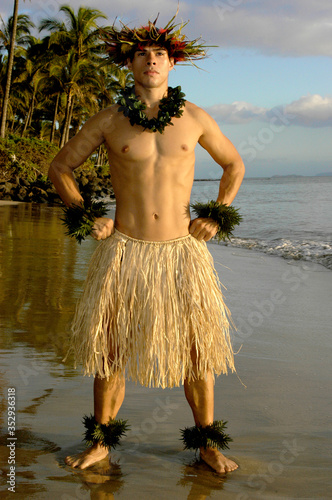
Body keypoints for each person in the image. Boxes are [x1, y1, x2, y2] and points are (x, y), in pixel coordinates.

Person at [49, 15, 245, 474]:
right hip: (124, 250)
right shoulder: (110, 120)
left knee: (199, 351)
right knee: (109, 350)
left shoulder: (194, 117)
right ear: (130, 63)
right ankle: (100, 442)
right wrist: (85, 214)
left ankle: (207, 445)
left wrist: (215, 215)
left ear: (172, 63)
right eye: (142, 54)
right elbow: (60, 167)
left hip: (181, 253)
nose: (151, 60)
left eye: (159, 54)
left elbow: (233, 164)